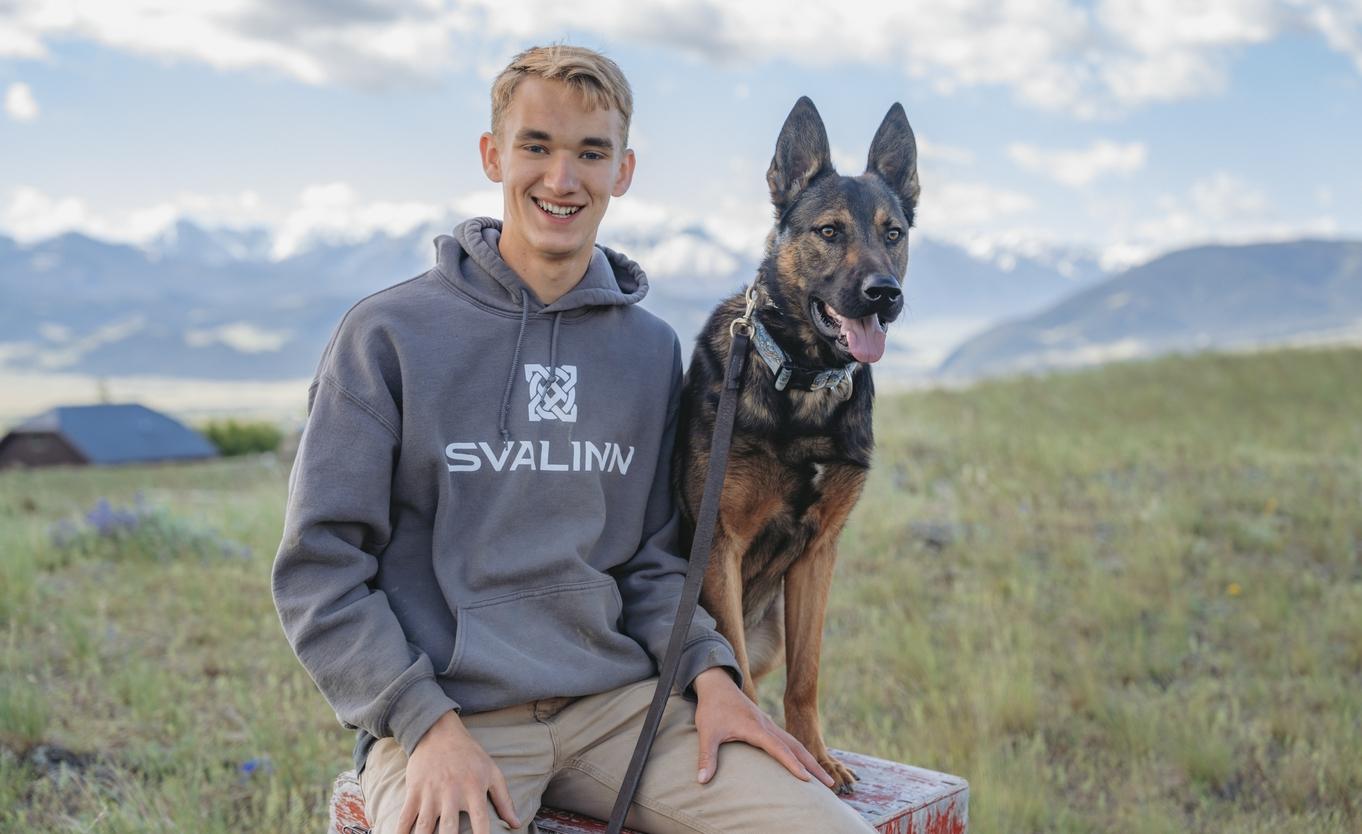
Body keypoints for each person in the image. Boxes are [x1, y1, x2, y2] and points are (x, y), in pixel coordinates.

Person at [271, 44, 874, 834]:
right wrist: (422, 723)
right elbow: (320, 573)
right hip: (453, 721)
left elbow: (659, 559)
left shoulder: (650, 351)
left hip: (629, 712)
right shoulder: (386, 337)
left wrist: (714, 676)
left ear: (623, 170)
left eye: (591, 153)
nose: (562, 180)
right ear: (494, 155)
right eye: (536, 147)